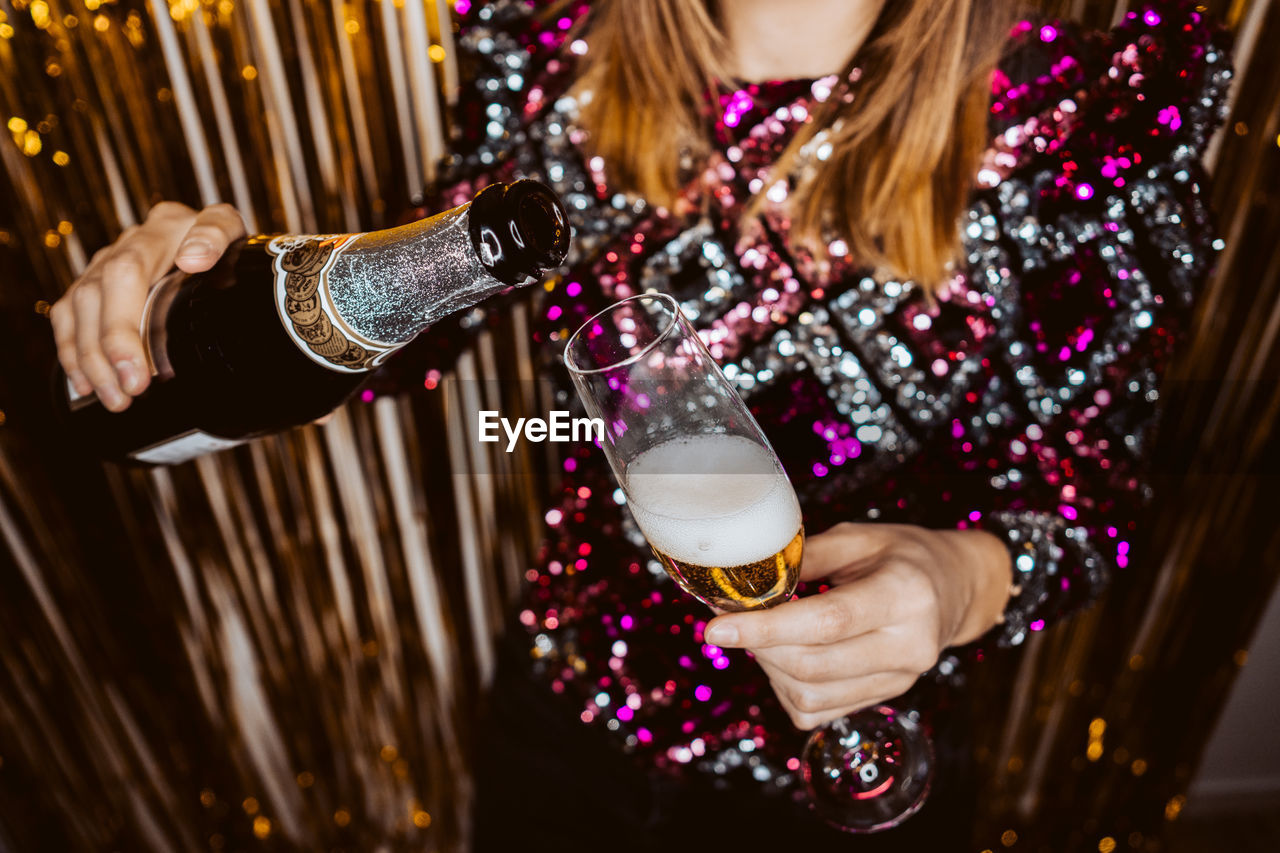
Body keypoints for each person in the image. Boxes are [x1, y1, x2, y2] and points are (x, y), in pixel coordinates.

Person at [48, 0, 1230, 847]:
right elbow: (409, 312)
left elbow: (1098, 496)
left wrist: (958, 577)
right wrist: (183, 313)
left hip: (866, 775)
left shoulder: (1093, 86)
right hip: (562, 735)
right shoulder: (548, 30)